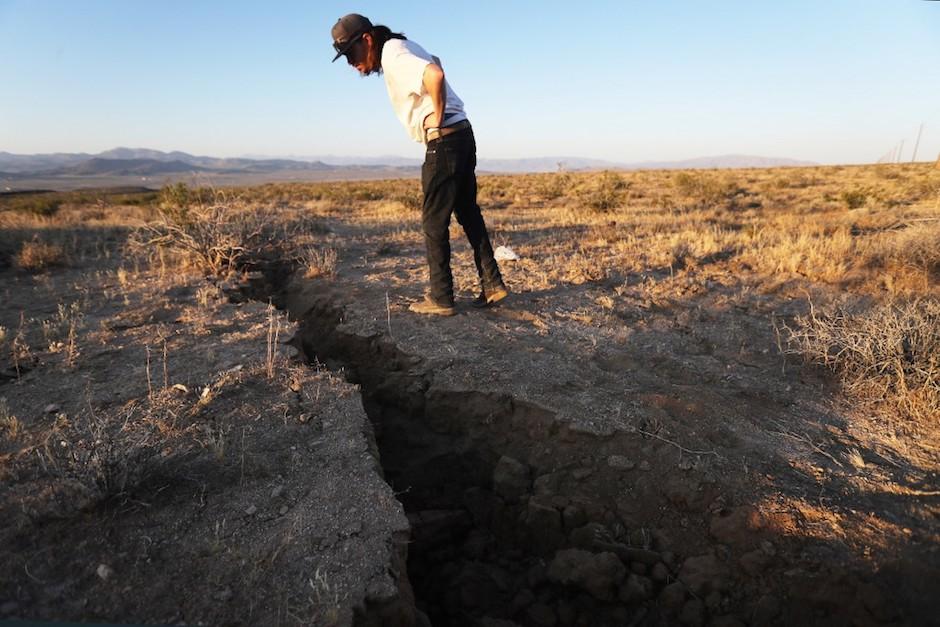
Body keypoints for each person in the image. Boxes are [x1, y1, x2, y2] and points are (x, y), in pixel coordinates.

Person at [330, 13, 508, 317]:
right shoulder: (405, 46)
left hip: (445, 141)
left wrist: (436, 118)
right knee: (467, 212)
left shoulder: (394, 53)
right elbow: (435, 61)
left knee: (433, 221)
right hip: (463, 133)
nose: (350, 63)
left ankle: (441, 297)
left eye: (351, 54)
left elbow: (435, 74)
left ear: (367, 40)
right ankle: (492, 284)